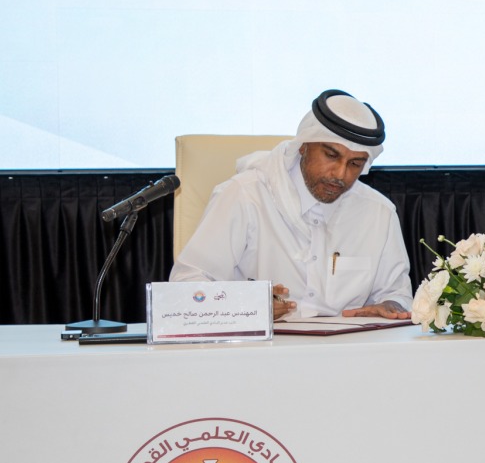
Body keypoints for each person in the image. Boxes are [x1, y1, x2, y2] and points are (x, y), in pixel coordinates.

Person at [171, 89, 412, 321]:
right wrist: (248, 305)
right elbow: (187, 284)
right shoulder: (245, 196)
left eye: (355, 164)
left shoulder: (379, 213)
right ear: (303, 145)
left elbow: (396, 294)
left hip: (347, 348)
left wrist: (392, 306)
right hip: (261, 347)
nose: (340, 174)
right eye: (331, 155)